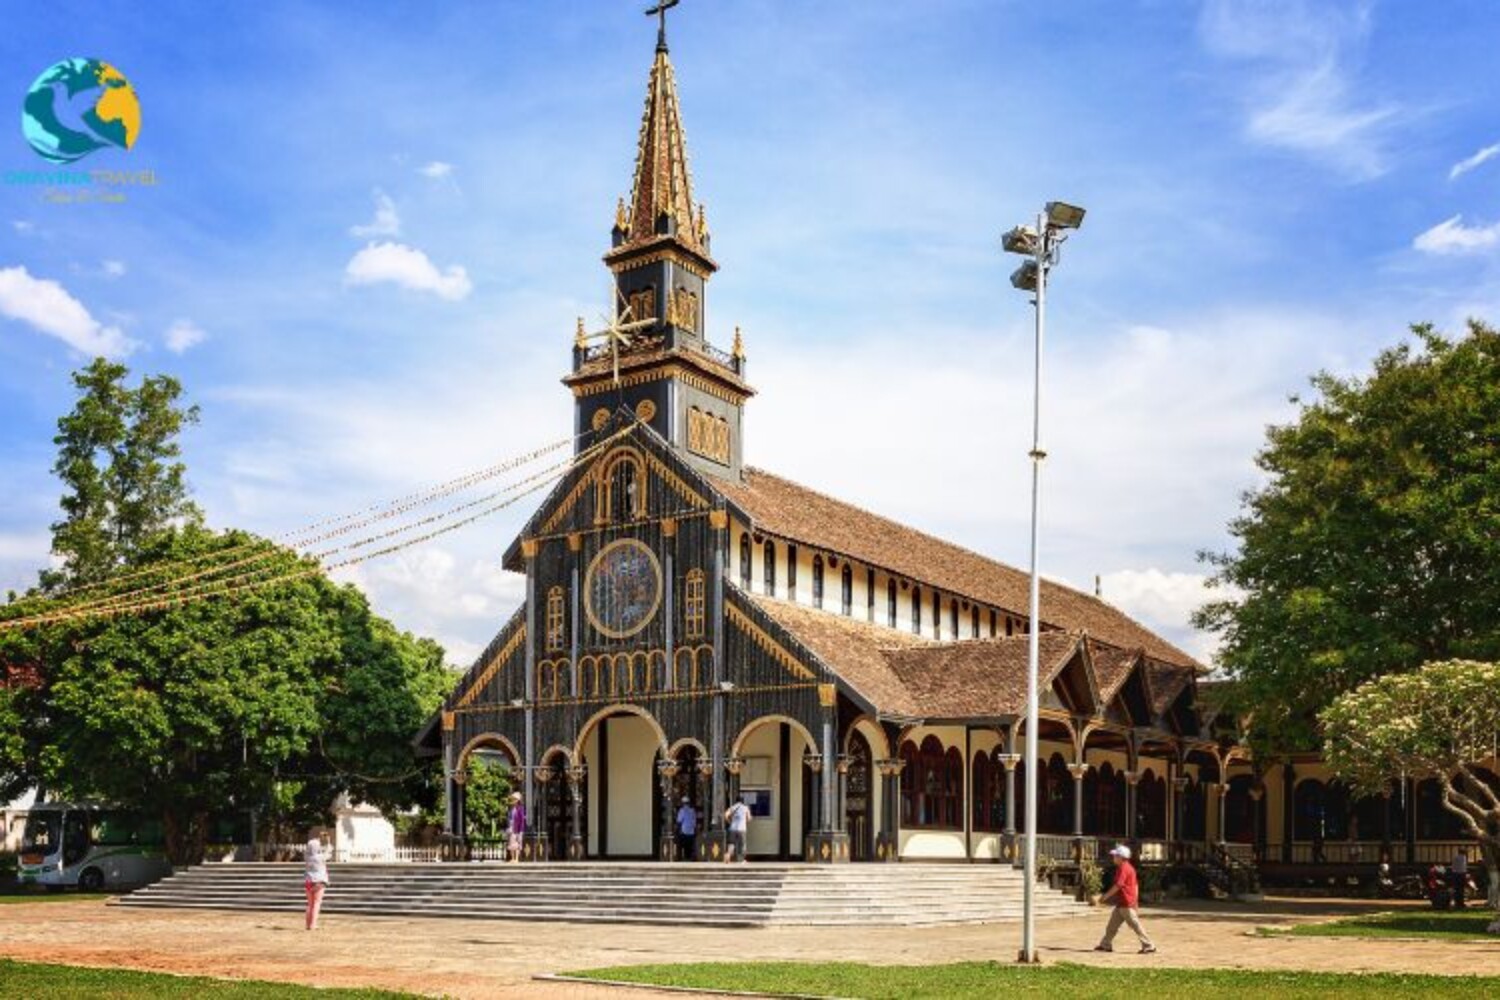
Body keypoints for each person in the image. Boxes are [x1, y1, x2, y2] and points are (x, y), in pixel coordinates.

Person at [1092, 844, 1156, 954]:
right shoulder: (1126, 868)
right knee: (1112, 926)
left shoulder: (1124, 868)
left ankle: (1149, 945)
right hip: (1122, 903)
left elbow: (1118, 885)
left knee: (1135, 925)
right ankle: (1105, 944)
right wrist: (1135, 902)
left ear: (1121, 857)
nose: (1113, 858)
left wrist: (1105, 897)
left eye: (1115, 856)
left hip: (1126, 903)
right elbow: (1135, 886)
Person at [303, 827, 329, 931]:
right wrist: (327, 840)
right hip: (319, 881)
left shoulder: (307, 857)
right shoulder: (320, 857)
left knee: (310, 904)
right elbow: (329, 850)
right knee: (317, 903)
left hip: (308, 881)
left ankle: (308, 924)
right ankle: (313, 924)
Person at [724, 795, 750, 863]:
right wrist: (745, 822)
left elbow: (726, 815)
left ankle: (728, 855)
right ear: (742, 801)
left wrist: (730, 822)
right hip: (742, 829)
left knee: (731, 844)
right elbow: (749, 818)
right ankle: (742, 860)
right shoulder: (745, 808)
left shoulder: (732, 807)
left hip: (733, 828)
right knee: (742, 844)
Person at [674, 796, 697, 861]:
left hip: (684, 831)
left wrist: (676, 830)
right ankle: (689, 857)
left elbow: (679, 821)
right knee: (690, 845)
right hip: (691, 832)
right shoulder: (693, 811)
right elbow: (694, 822)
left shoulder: (682, 810)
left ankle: (680, 857)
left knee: (681, 843)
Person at [506, 791, 526, 863]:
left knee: (517, 844)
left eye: (514, 799)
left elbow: (522, 820)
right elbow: (509, 819)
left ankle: (517, 858)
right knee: (511, 844)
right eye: (512, 799)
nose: (513, 801)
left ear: (518, 800)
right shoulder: (511, 809)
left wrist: (521, 830)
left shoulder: (520, 809)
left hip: (517, 829)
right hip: (511, 828)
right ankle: (512, 858)